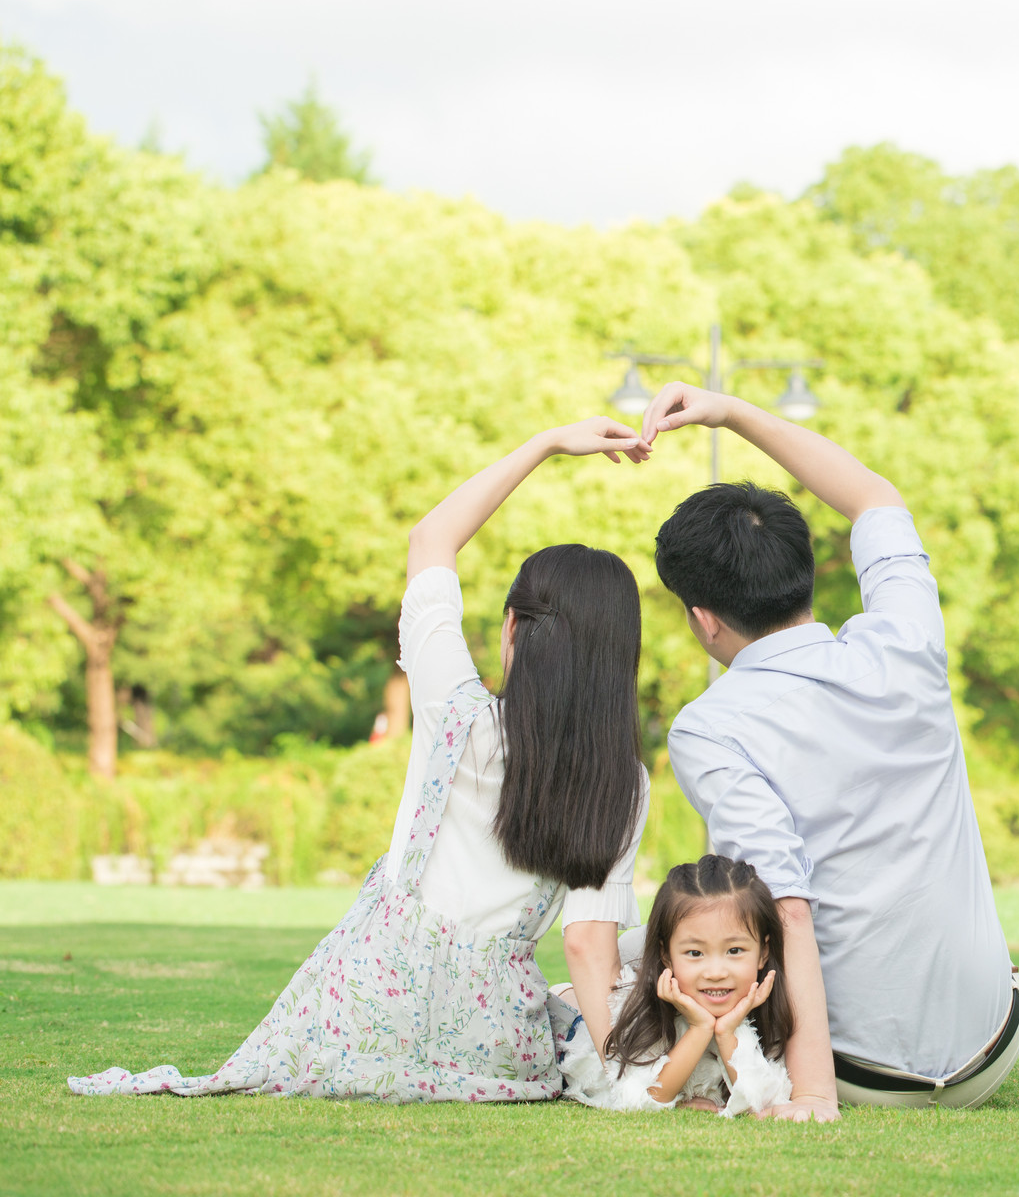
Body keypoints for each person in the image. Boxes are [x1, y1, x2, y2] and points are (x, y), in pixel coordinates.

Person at [70, 418, 652, 1102]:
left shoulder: (456, 717)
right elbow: (589, 946)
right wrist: (620, 1076)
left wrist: (547, 443)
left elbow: (430, 540)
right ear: (617, 657)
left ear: (514, 627)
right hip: (494, 1041)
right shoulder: (624, 781)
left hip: (361, 1004)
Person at [639, 383, 1019, 1119]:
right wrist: (733, 411)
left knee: (652, 953)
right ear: (804, 573)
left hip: (860, 1073)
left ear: (703, 620)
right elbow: (874, 497)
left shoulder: (709, 726)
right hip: (994, 1044)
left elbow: (788, 909)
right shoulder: (904, 644)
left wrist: (813, 1092)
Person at [550, 855, 792, 1116]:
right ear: (666, 955)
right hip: (573, 1026)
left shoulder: (765, 1006)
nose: (715, 972)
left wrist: (726, 1032)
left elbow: (766, 1101)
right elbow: (637, 1100)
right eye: (695, 953)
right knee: (567, 1007)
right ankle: (564, 993)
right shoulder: (645, 1012)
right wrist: (700, 1028)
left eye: (734, 950)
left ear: (763, 952)